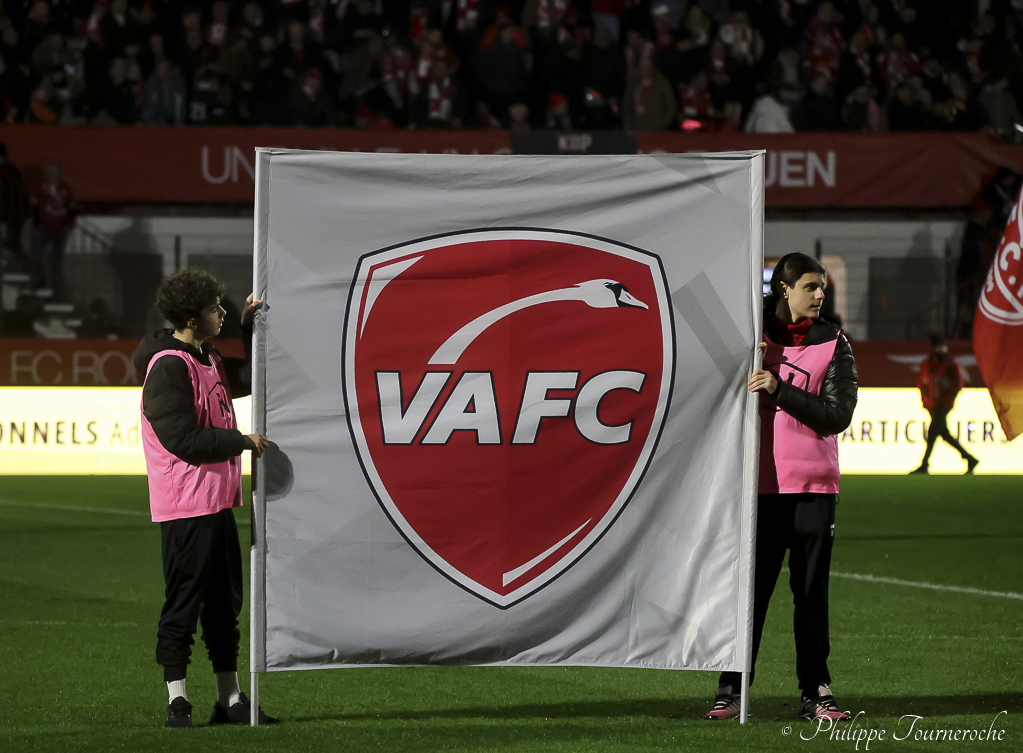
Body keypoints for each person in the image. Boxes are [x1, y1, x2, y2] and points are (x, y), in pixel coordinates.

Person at [705, 252, 857, 723]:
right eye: (810, 286)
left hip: (813, 489)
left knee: (811, 596)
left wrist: (779, 389)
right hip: (757, 490)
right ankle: (731, 689)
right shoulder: (750, 338)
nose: (820, 294)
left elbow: (838, 415)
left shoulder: (833, 341)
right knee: (750, 596)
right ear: (784, 289)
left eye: (822, 286)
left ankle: (816, 692)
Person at [132, 268, 277, 729]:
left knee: (223, 606)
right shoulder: (168, 367)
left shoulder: (205, 355)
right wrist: (240, 441)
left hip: (215, 502)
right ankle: (177, 701)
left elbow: (245, 379)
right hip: (186, 506)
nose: (222, 312)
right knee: (183, 605)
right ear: (192, 318)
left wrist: (248, 330)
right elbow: (182, 439)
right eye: (215, 308)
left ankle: (229, 699)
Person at [911, 335, 978, 474]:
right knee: (943, 433)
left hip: (943, 403)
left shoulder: (947, 364)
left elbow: (956, 384)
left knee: (933, 432)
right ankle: (969, 458)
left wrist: (948, 399)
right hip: (933, 403)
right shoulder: (931, 364)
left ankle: (924, 464)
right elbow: (923, 383)